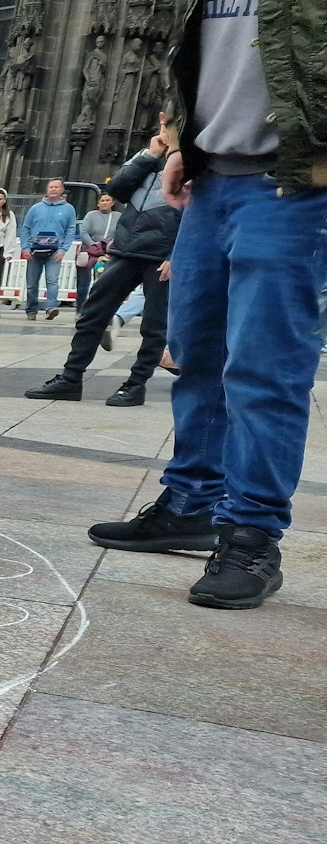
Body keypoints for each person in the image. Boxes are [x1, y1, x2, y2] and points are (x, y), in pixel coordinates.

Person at [85, 0, 327, 610]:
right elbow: (208, 63)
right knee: (197, 356)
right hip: (212, 179)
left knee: (264, 369)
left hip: (293, 183)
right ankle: (193, 503)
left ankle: (252, 536)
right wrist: (180, 146)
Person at [25, 131, 179, 406]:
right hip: (127, 248)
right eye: (164, 124)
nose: (166, 130)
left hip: (162, 255)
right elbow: (117, 189)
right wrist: (149, 156)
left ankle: (136, 384)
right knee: (92, 314)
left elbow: (199, 212)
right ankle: (71, 378)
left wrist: (176, 253)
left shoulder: (194, 160)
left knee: (154, 326)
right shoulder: (146, 158)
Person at [17, 178, 77, 319]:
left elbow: (70, 230)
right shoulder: (35, 208)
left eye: (56, 187)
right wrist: (25, 247)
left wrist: (63, 249)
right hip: (34, 251)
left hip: (55, 252)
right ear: (47, 189)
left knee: (52, 281)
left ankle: (51, 307)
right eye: (51, 187)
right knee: (31, 284)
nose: (53, 189)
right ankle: (31, 310)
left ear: (62, 190)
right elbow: (25, 228)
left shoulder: (69, 209)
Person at [74, 192, 118, 313]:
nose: (105, 203)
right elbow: (84, 232)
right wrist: (94, 245)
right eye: (102, 201)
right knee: (83, 284)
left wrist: (109, 247)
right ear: (98, 203)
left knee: (103, 283)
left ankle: (97, 311)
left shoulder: (118, 216)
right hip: (88, 253)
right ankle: (80, 310)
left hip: (106, 254)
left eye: (107, 200)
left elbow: (119, 233)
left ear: (113, 203)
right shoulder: (91, 215)